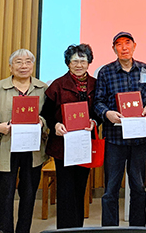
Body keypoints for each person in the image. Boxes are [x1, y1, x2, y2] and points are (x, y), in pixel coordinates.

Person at [94, 32, 146, 226]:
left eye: (127, 43)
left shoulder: (145, 69)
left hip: (138, 139)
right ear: (114, 49)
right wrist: (107, 113)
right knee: (111, 189)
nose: (124, 47)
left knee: (138, 187)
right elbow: (98, 102)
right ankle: (109, 229)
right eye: (119, 44)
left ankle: (137, 227)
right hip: (115, 139)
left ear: (134, 46)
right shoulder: (105, 72)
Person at [0, 49, 48, 233]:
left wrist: (42, 122)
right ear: (10, 66)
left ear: (33, 65)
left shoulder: (42, 88)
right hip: (6, 146)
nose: (23, 66)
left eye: (28, 62)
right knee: (4, 194)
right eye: (18, 62)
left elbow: (49, 116)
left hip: (33, 149)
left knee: (28, 194)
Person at [40, 44, 99, 229]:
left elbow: (99, 111)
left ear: (89, 62)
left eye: (83, 61)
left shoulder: (96, 85)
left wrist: (95, 121)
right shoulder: (57, 85)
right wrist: (55, 125)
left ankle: (77, 228)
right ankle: (64, 229)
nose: (79, 65)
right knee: (65, 191)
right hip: (62, 146)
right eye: (74, 61)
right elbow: (46, 114)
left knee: (80, 188)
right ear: (68, 63)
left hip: (84, 144)